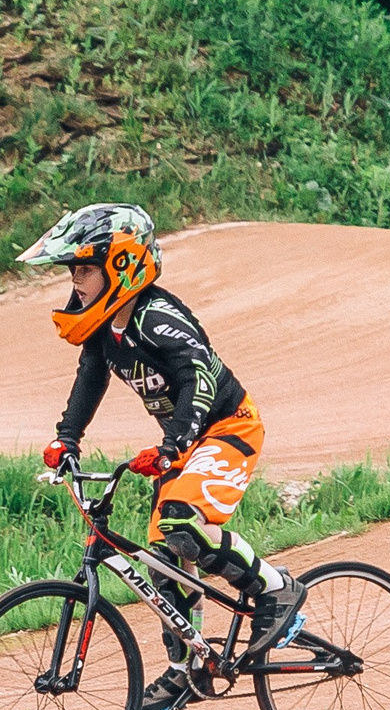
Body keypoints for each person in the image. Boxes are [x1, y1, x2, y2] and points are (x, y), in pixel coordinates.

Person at [21, 203, 303, 673]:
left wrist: (173, 445)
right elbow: (90, 378)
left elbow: (199, 377)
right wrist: (67, 439)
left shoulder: (156, 317)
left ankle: (276, 589)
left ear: (121, 266)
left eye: (84, 269)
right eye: (73, 270)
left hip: (228, 428)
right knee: (164, 561)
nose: (75, 280)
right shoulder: (104, 329)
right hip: (185, 443)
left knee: (182, 525)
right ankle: (188, 671)